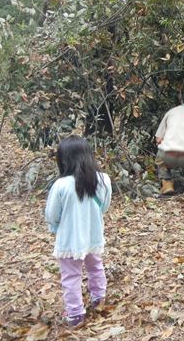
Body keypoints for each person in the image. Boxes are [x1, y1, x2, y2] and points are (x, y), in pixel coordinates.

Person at [45, 135, 112, 328]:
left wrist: (56, 226)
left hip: (70, 239)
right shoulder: (104, 180)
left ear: (63, 159)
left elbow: (52, 214)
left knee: (71, 276)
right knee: (95, 267)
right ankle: (99, 299)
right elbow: (104, 207)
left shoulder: (61, 185)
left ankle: (75, 314)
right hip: (93, 234)